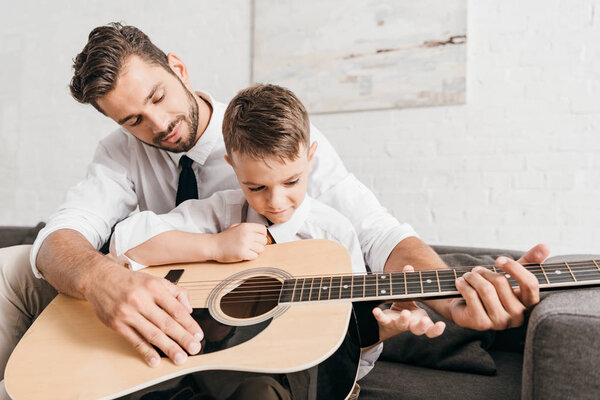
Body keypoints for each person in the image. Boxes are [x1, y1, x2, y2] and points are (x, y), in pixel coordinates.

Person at [0, 22, 548, 397]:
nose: (157, 125)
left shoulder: (275, 141)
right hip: (156, 310)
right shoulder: (122, 154)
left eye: (158, 97)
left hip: (235, 342)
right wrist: (99, 278)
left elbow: (379, 233)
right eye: (132, 120)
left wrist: (449, 295)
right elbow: (62, 236)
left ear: (178, 67)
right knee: (13, 266)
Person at [109, 83, 435, 397]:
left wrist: (382, 329)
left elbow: (347, 359)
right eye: (256, 187)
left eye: (291, 181)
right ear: (232, 167)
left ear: (310, 159)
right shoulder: (221, 213)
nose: (276, 202)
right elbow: (126, 239)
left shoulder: (332, 236)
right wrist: (214, 246)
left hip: (298, 379)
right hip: (220, 370)